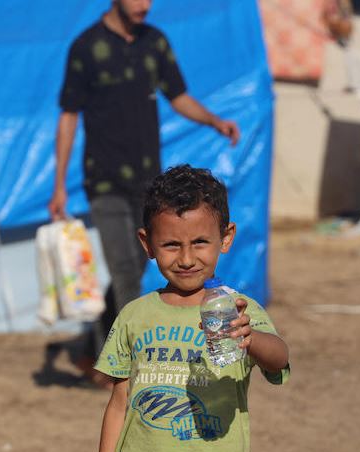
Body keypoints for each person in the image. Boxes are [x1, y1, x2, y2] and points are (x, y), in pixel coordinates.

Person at [89, 165, 290, 452]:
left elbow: (279, 358)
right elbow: (119, 403)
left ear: (226, 238)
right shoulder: (135, 316)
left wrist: (251, 339)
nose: (185, 258)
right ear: (147, 243)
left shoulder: (237, 308)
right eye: (170, 244)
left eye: (200, 242)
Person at [50, 0, 241, 383]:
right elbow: (69, 115)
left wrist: (214, 121)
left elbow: (178, 96)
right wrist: (58, 186)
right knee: (123, 269)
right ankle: (132, 368)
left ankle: (92, 349)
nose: (145, 5)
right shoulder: (86, 47)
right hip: (103, 181)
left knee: (138, 264)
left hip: (147, 184)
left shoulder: (154, 42)